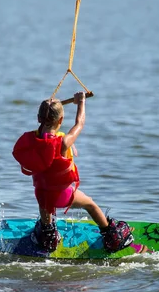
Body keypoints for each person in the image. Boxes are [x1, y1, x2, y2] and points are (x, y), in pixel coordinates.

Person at [12, 91, 133, 252]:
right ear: (61, 120)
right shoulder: (63, 142)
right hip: (62, 194)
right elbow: (79, 123)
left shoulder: (32, 140)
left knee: (46, 205)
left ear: (38, 118)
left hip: (42, 194)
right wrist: (81, 102)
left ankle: (47, 237)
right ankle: (112, 237)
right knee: (90, 204)